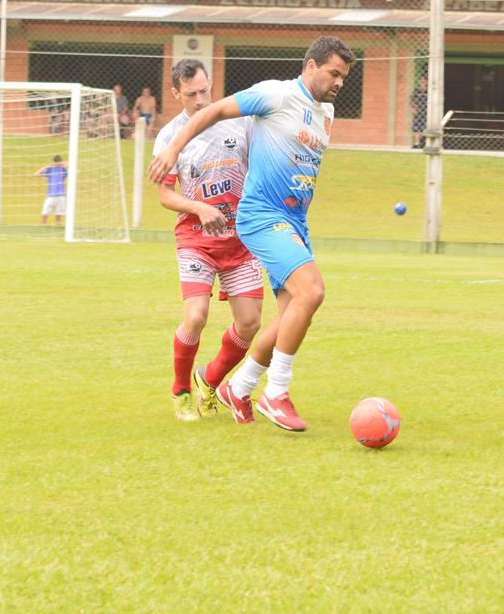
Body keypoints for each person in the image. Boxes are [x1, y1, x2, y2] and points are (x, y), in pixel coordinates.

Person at [149, 35, 354, 432]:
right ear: (311, 66)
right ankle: (273, 393)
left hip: (290, 223)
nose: (339, 82)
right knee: (310, 292)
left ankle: (232, 386)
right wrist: (173, 149)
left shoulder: (325, 111)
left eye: (343, 76)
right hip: (259, 217)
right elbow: (215, 113)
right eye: (334, 73)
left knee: (287, 312)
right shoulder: (273, 95)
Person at [151, 59, 264, 422]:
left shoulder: (241, 121)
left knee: (250, 324)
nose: (200, 100)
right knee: (196, 316)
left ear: (211, 83)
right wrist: (198, 207)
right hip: (196, 238)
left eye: (204, 91)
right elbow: (166, 196)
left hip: (241, 238)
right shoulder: (169, 137)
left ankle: (210, 379)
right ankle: (181, 390)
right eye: (190, 94)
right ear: (175, 94)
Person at [35, 155, 68, 225]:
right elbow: (36, 174)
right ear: (54, 162)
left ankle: (58, 223)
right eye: (56, 162)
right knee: (46, 209)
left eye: (58, 161)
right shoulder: (50, 170)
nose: (57, 163)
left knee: (59, 212)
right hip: (51, 194)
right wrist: (45, 167)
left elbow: (68, 164)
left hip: (61, 194)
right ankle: (43, 223)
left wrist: (63, 164)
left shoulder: (63, 170)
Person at [410, 75, 428, 148]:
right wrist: (413, 108)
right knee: (416, 128)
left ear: (427, 82)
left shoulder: (429, 91)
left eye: (424, 80)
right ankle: (416, 144)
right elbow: (411, 100)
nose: (422, 82)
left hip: (426, 113)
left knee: (425, 128)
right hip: (418, 112)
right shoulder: (416, 91)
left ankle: (424, 143)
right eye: (421, 80)